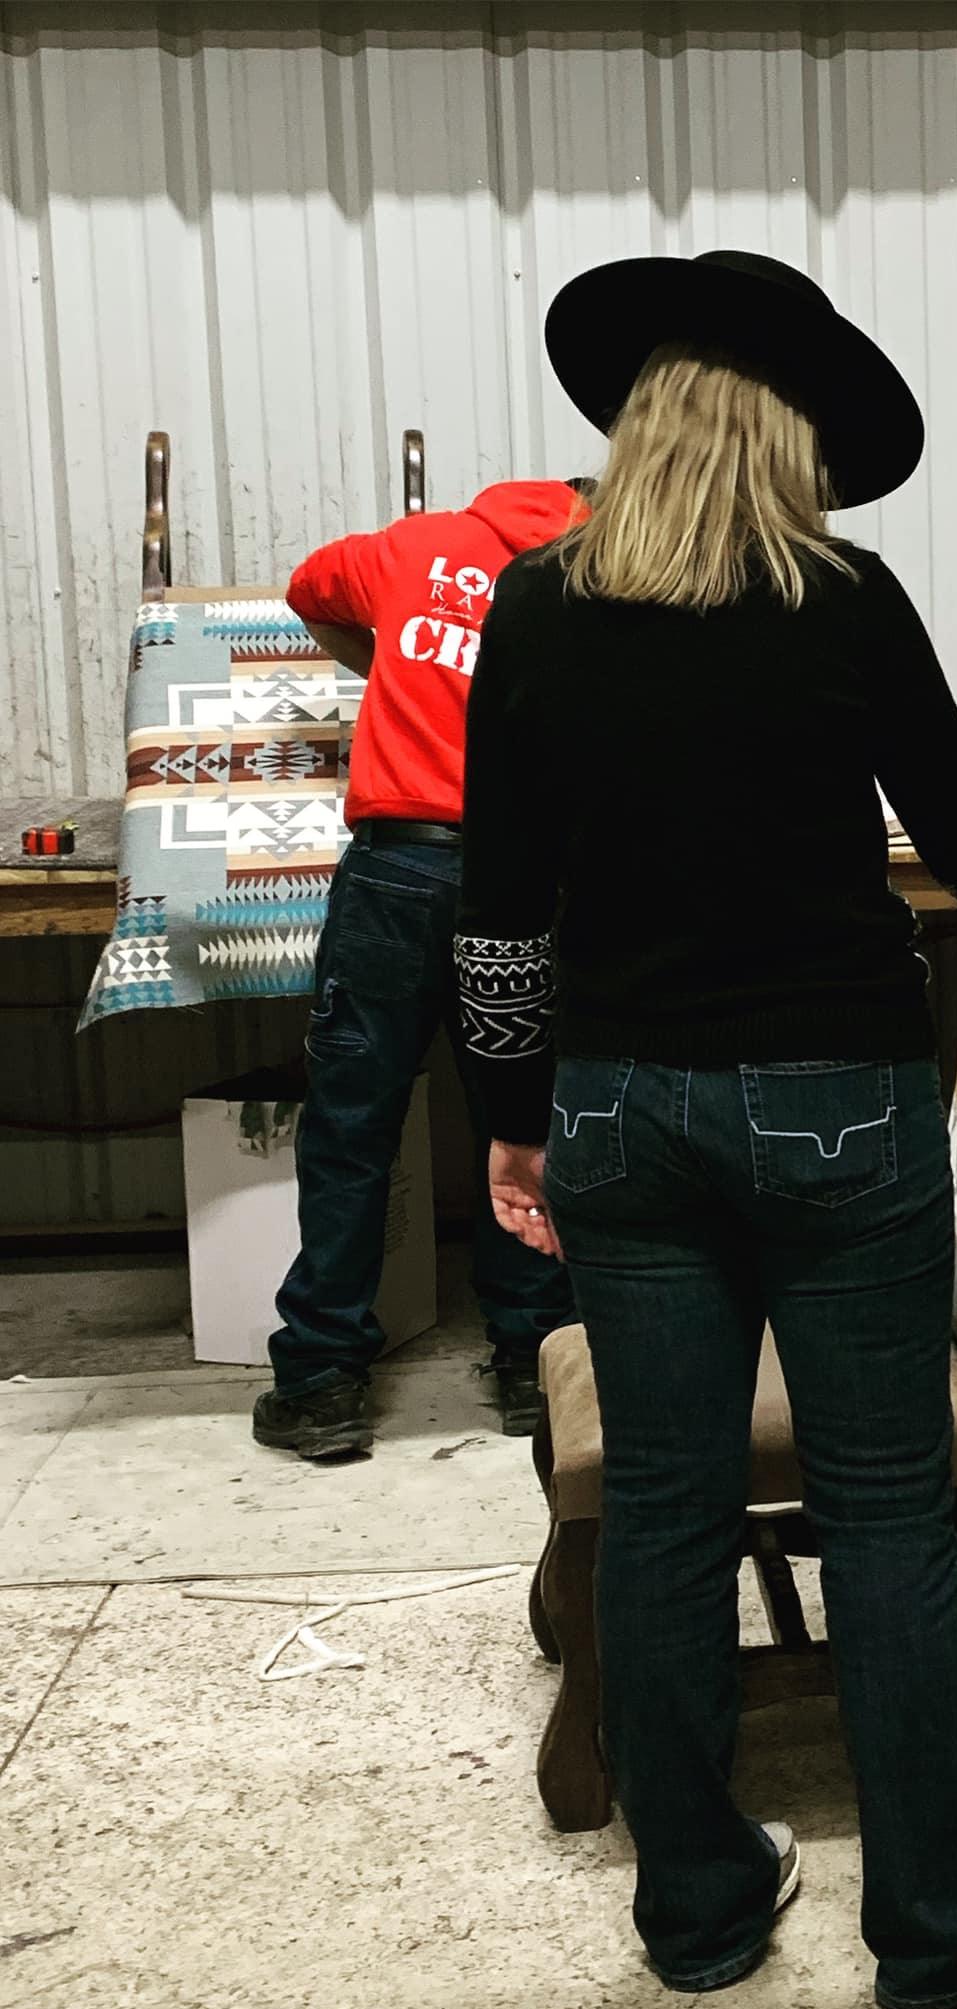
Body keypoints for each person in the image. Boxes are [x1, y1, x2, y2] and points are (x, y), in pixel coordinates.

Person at [455, 252, 957, 2009]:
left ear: (635, 423)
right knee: (890, 1515)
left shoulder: (534, 609)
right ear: (788, 432)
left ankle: (697, 1908)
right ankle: (939, 1927)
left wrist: (510, 1124)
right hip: (837, 1101)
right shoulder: (844, 599)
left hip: (619, 1103)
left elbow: (495, 910)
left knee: (669, 1519)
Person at [253, 479, 585, 1460]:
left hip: (397, 864)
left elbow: (310, 586)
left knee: (353, 1124)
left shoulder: (424, 544)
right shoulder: (596, 574)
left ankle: (320, 1380)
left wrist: (387, 660)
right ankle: (536, 1364)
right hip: (529, 877)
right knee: (521, 1115)